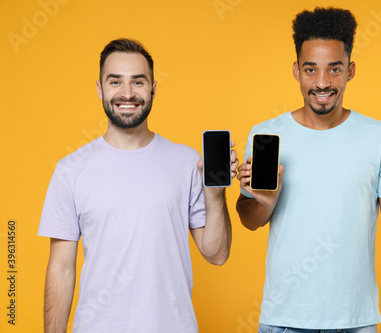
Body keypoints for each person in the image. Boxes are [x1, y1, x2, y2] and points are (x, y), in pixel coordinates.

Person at [39, 38, 238, 333]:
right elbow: (61, 269)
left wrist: (215, 196)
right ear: (100, 89)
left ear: (154, 87)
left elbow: (217, 254)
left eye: (138, 82)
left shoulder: (186, 161)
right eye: (115, 81)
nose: (128, 93)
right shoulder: (71, 170)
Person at [236, 7, 381, 333]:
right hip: (283, 322)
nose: (322, 83)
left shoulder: (380, 137)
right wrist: (266, 200)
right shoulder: (267, 136)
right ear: (296, 71)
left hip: (356, 322)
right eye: (310, 70)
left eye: (334, 69)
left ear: (350, 70)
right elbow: (248, 220)